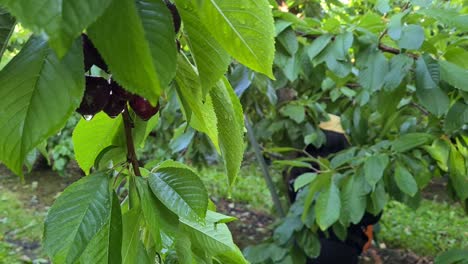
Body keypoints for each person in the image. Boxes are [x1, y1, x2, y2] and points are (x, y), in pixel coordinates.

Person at [285, 114, 381, 264]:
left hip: (304, 246)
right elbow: (371, 215)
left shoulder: (297, 172)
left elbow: (295, 205)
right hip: (341, 249)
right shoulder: (351, 176)